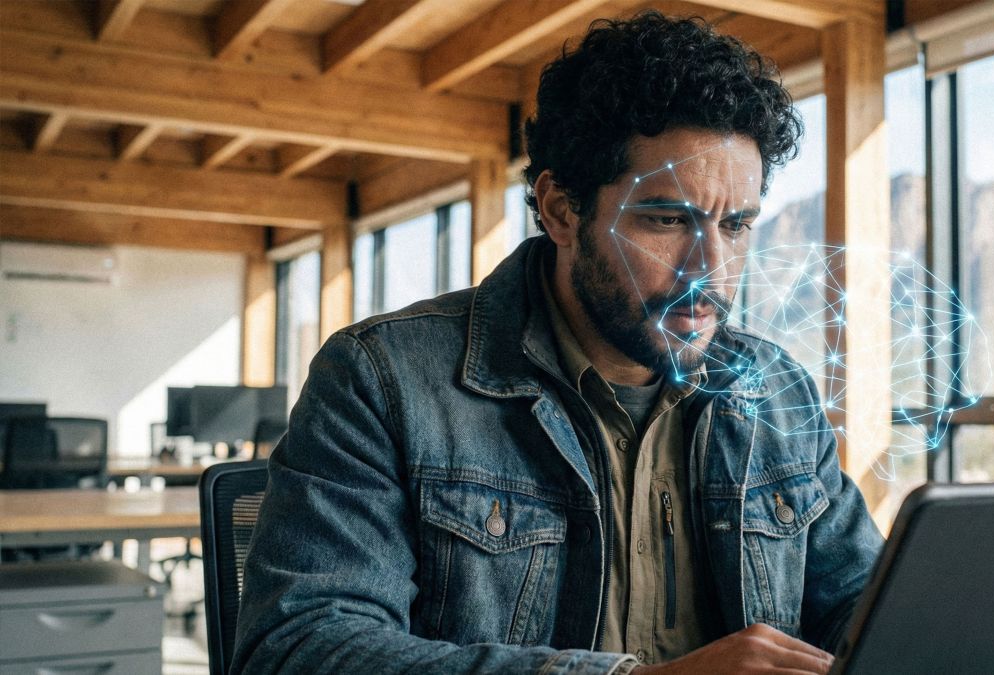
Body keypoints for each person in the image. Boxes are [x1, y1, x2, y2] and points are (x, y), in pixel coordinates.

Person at [233, 11, 883, 674]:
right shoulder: (380, 379)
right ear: (561, 210)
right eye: (666, 220)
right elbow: (300, 647)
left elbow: (864, 605)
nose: (711, 270)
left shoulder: (774, 391)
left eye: (737, 226)